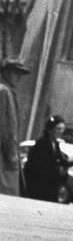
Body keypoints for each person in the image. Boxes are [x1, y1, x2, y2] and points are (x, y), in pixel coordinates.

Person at [23, 114, 73, 202]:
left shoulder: (55, 144)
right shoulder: (42, 143)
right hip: (39, 186)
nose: (61, 132)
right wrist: (57, 169)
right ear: (50, 129)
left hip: (50, 186)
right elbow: (38, 164)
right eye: (59, 129)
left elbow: (62, 161)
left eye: (63, 129)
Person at [0, 57, 29, 198]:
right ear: (5, 72)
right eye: (15, 72)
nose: (19, 77)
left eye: (20, 74)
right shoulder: (4, 92)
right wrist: (12, 160)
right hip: (5, 160)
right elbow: (8, 130)